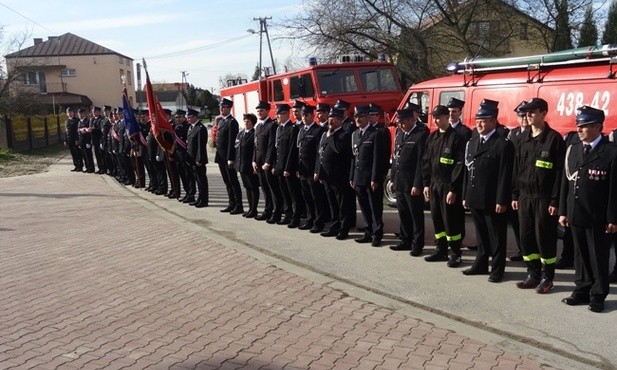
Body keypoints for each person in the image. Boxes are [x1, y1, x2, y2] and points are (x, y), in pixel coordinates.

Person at [559, 106, 617, 313]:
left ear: (598, 127)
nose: (579, 129)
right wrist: (563, 211)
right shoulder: (573, 149)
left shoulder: (610, 152)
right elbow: (565, 182)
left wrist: (613, 218)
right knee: (580, 254)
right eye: (578, 125)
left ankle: (598, 294)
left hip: (598, 215)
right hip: (576, 212)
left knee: (598, 256)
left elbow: (614, 189)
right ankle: (581, 289)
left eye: (584, 126)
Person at [511, 98, 565, 294]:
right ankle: (533, 274)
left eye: (533, 111)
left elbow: (559, 173)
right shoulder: (523, 138)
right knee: (526, 238)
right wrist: (515, 194)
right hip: (525, 197)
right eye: (527, 112)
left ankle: (547, 277)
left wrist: (554, 200)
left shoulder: (554, 139)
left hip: (543, 199)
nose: (528, 115)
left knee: (545, 238)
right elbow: (517, 169)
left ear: (543, 113)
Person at [462, 99, 514, 283]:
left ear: (493, 121)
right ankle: (481, 264)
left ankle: (498, 269)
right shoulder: (474, 141)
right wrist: (465, 195)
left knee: (497, 237)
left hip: (492, 199)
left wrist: (502, 200)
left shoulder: (502, 144)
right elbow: (468, 171)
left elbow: (504, 175)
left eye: (484, 120)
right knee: (481, 234)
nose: (479, 124)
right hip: (475, 196)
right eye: (477, 120)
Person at [422, 105, 466, 267]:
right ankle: (441, 250)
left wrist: (453, 189)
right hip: (434, 185)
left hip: (448, 186)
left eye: (439, 117)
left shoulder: (456, 138)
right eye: (434, 117)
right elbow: (426, 161)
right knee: (437, 219)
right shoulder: (432, 137)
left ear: (447, 117)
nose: (436, 120)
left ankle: (455, 253)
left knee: (451, 221)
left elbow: (459, 165)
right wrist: (426, 184)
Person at [389, 105, 428, 256]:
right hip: (400, 181)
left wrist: (418, 183)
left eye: (403, 121)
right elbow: (395, 158)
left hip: (412, 183)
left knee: (416, 215)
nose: (400, 124)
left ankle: (417, 244)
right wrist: (392, 179)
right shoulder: (400, 134)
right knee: (403, 213)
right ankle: (405, 240)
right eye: (399, 121)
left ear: (412, 120)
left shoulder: (420, 135)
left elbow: (421, 162)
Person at [350, 105, 387, 247]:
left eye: (361, 117)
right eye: (356, 117)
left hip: (370, 178)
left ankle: (377, 234)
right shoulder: (355, 134)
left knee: (375, 207)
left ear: (367, 118)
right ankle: (368, 231)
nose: (358, 119)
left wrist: (375, 178)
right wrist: (352, 176)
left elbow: (378, 158)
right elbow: (354, 157)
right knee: (364, 207)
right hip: (358, 177)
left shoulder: (375, 133)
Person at [315, 108, 353, 240]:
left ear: (340, 120)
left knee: (342, 205)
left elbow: (338, 150)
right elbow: (320, 153)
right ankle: (334, 226)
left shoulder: (344, 134)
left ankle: (343, 229)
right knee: (332, 204)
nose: (330, 120)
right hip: (326, 176)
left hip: (339, 176)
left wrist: (331, 136)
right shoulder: (325, 134)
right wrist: (318, 172)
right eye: (330, 117)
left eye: (334, 118)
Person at [296, 104, 328, 231]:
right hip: (303, 170)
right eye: (302, 115)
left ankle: (319, 222)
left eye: (306, 115)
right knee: (307, 197)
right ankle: (310, 219)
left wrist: (317, 171)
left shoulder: (318, 130)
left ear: (312, 115)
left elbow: (318, 153)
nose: (303, 118)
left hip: (311, 171)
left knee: (317, 198)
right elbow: (299, 151)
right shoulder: (302, 130)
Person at [272, 103, 305, 227]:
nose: (277, 116)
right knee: (284, 193)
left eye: (279, 114)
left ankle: (296, 217)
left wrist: (287, 168)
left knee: (293, 194)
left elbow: (292, 150)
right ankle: (288, 214)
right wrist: (276, 165)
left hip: (288, 168)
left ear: (286, 114)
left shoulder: (293, 128)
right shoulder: (279, 128)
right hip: (280, 167)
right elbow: (277, 149)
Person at [506, 101, 529, 262]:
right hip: (515, 183)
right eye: (521, 116)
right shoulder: (512, 134)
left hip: (529, 183)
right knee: (516, 221)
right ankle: (522, 250)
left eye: (526, 115)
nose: (524, 119)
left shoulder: (537, 135)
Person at [252, 101, 281, 221]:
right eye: (258, 111)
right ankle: (267, 210)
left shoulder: (272, 125)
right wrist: (254, 160)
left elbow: (271, 146)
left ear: (267, 111)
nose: (259, 113)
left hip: (267, 164)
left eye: (262, 110)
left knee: (273, 189)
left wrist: (268, 162)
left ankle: (277, 212)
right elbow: (256, 145)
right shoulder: (258, 126)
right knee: (264, 189)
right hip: (259, 163)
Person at [215, 98, 243, 213]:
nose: (222, 109)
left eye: (224, 107)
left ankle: (238, 205)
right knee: (227, 182)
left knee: (233, 181)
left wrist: (231, 158)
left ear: (229, 108)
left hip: (228, 158)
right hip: (221, 157)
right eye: (221, 107)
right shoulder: (221, 121)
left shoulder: (232, 122)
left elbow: (232, 142)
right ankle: (231, 203)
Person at [236, 113, 260, 217]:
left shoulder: (254, 134)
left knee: (253, 187)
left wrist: (254, 163)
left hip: (250, 165)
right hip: (241, 164)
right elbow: (236, 148)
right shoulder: (241, 134)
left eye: (248, 121)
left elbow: (256, 149)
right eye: (245, 120)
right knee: (247, 187)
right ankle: (250, 208)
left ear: (253, 123)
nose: (246, 122)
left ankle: (254, 209)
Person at [186, 108, 209, 208]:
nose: (188, 119)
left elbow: (201, 146)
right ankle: (199, 198)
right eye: (188, 117)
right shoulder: (191, 127)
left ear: (195, 117)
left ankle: (204, 200)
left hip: (198, 159)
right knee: (197, 180)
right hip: (192, 159)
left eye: (190, 117)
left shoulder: (200, 128)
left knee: (201, 180)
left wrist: (199, 159)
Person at [64, 107, 83, 172]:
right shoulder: (67, 121)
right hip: (70, 140)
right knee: (73, 154)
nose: (69, 113)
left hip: (75, 140)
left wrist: (77, 140)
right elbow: (66, 131)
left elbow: (77, 132)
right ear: (67, 114)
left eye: (70, 112)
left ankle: (80, 166)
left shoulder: (76, 121)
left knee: (78, 153)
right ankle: (76, 165)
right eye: (68, 112)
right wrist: (65, 140)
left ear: (73, 113)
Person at [77, 108, 95, 173]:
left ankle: (91, 168)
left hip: (86, 141)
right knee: (84, 156)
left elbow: (89, 132)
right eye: (79, 114)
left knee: (88, 156)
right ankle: (87, 167)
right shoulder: (79, 122)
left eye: (81, 114)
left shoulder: (88, 121)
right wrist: (79, 142)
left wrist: (88, 142)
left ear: (85, 114)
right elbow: (79, 132)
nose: (80, 115)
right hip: (81, 141)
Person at [89, 107, 106, 174]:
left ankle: (103, 168)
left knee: (101, 155)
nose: (94, 113)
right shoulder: (92, 119)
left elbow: (101, 130)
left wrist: (93, 129)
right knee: (97, 155)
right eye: (93, 111)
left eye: (95, 111)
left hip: (99, 139)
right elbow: (90, 127)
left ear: (99, 112)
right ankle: (99, 168)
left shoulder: (101, 119)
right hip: (94, 140)